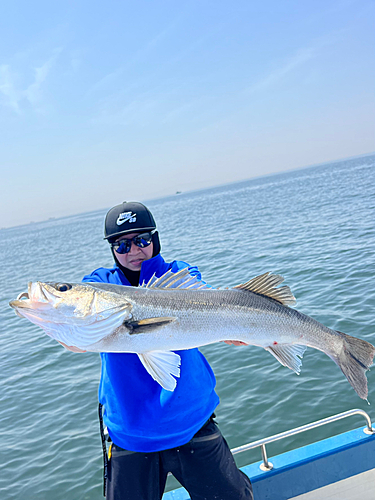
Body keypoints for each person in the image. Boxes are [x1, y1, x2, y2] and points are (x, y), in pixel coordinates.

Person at [81, 201, 253, 500]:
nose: (133, 250)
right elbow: (75, 337)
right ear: (111, 249)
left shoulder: (180, 275)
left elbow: (210, 301)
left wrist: (237, 328)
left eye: (142, 240)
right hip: (130, 431)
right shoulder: (98, 286)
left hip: (191, 420)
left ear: (155, 239)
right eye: (121, 245)